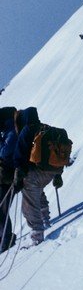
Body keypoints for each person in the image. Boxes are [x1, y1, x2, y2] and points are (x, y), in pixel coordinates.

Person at [13, 107, 63, 246]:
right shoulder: (46, 128)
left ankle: (37, 235)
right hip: (51, 173)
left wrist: (18, 174)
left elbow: (19, 154)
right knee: (38, 193)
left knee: (28, 204)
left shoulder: (27, 130)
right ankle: (46, 220)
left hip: (36, 174)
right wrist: (58, 175)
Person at [0, 106, 17, 252]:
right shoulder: (8, 131)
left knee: (2, 210)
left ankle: (7, 239)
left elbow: (5, 152)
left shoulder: (11, 131)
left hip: (9, 178)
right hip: (5, 177)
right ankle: (4, 238)